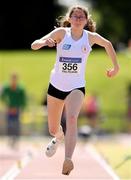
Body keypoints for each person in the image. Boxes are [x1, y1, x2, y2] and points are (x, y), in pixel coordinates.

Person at [31, 5, 119, 175]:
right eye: (75, 16)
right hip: (56, 86)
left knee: (72, 118)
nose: (78, 19)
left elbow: (107, 44)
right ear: (69, 19)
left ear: (86, 21)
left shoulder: (90, 37)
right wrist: (44, 42)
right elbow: (34, 44)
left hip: (76, 87)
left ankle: (68, 159)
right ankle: (58, 136)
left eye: (81, 17)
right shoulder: (62, 34)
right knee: (53, 129)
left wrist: (116, 67)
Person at [0, 72, 27, 149]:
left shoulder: (20, 89)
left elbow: (23, 101)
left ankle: (16, 140)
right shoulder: (7, 87)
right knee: (9, 124)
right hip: (9, 109)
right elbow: (2, 96)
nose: (13, 80)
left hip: (17, 109)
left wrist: (19, 108)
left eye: (15, 79)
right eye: (12, 79)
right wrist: (7, 105)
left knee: (17, 125)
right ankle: (10, 138)